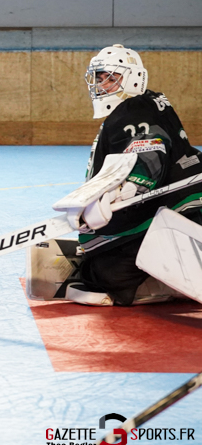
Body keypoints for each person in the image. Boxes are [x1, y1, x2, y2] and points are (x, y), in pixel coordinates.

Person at [31, 45, 202, 306]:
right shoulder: (150, 102)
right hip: (185, 207)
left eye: (111, 78)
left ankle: (166, 276)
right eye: (100, 78)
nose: (102, 85)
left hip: (177, 215)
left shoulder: (133, 111)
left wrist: (124, 190)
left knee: (104, 274)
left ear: (134, 78)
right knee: (100, 260)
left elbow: (149, 152)